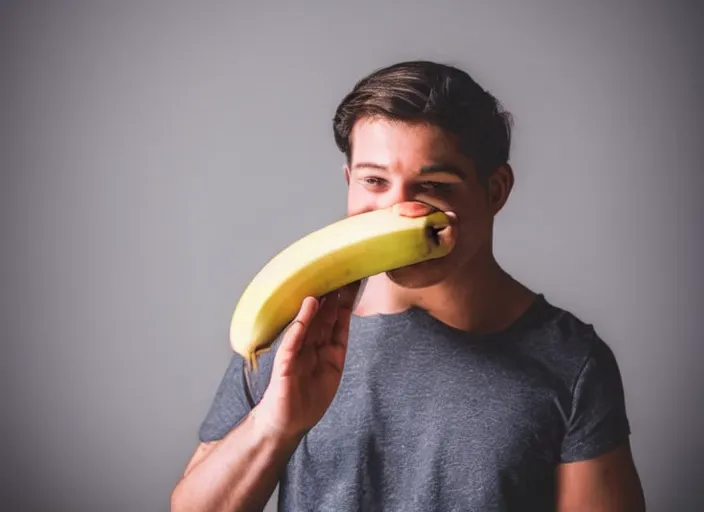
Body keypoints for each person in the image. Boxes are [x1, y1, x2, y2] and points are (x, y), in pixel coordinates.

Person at [171, 60, 646, 511]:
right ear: (348, 182)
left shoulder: (571, 361)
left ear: (496, 190)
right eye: (374, 182)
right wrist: (273, 428)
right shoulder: (291, 327)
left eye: (435, 186)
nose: (399, 211)